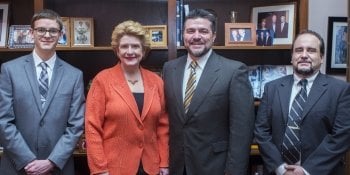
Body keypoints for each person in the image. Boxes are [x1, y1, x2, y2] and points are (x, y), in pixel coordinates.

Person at [163, 8, 255, 175]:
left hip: (215, 166)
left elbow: (242, 130)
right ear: (183, 35)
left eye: (203, 31)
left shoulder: (234, 71)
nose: (196, 36)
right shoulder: (170, 69)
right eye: (190, 31)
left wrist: (234, 171)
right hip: (177, 165)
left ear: (213, 36)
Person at [0, 9, 85, 175]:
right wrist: (27, 160)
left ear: (60, 34)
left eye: (53, 30)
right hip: (17, 166)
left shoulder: (74, 75)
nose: (47, 35)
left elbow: (76, 125)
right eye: (41, 30)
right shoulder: (9, 70)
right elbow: (3, 120)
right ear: (31, 33)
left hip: (58, 167)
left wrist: (52, 161)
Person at [254, 30, 350, 175]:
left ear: (321, 57)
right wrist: (281, 169)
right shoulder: (272, 88)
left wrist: (306, 170)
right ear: (292, 57)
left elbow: (342, 136)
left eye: (311, 50)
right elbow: (261, 132)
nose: (304, 55)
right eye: (299, 50)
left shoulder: (340, 90)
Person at [85, 20, 169, 175]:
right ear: (117, 51)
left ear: (144, 51)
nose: (130, 51)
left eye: (135, 46)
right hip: (113, 168)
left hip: (151, 167)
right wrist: (99, 169)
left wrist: (164, 162)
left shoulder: (156, 81)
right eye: (124, 46)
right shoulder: (102, 80)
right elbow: (92, 128)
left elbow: (163, 126)